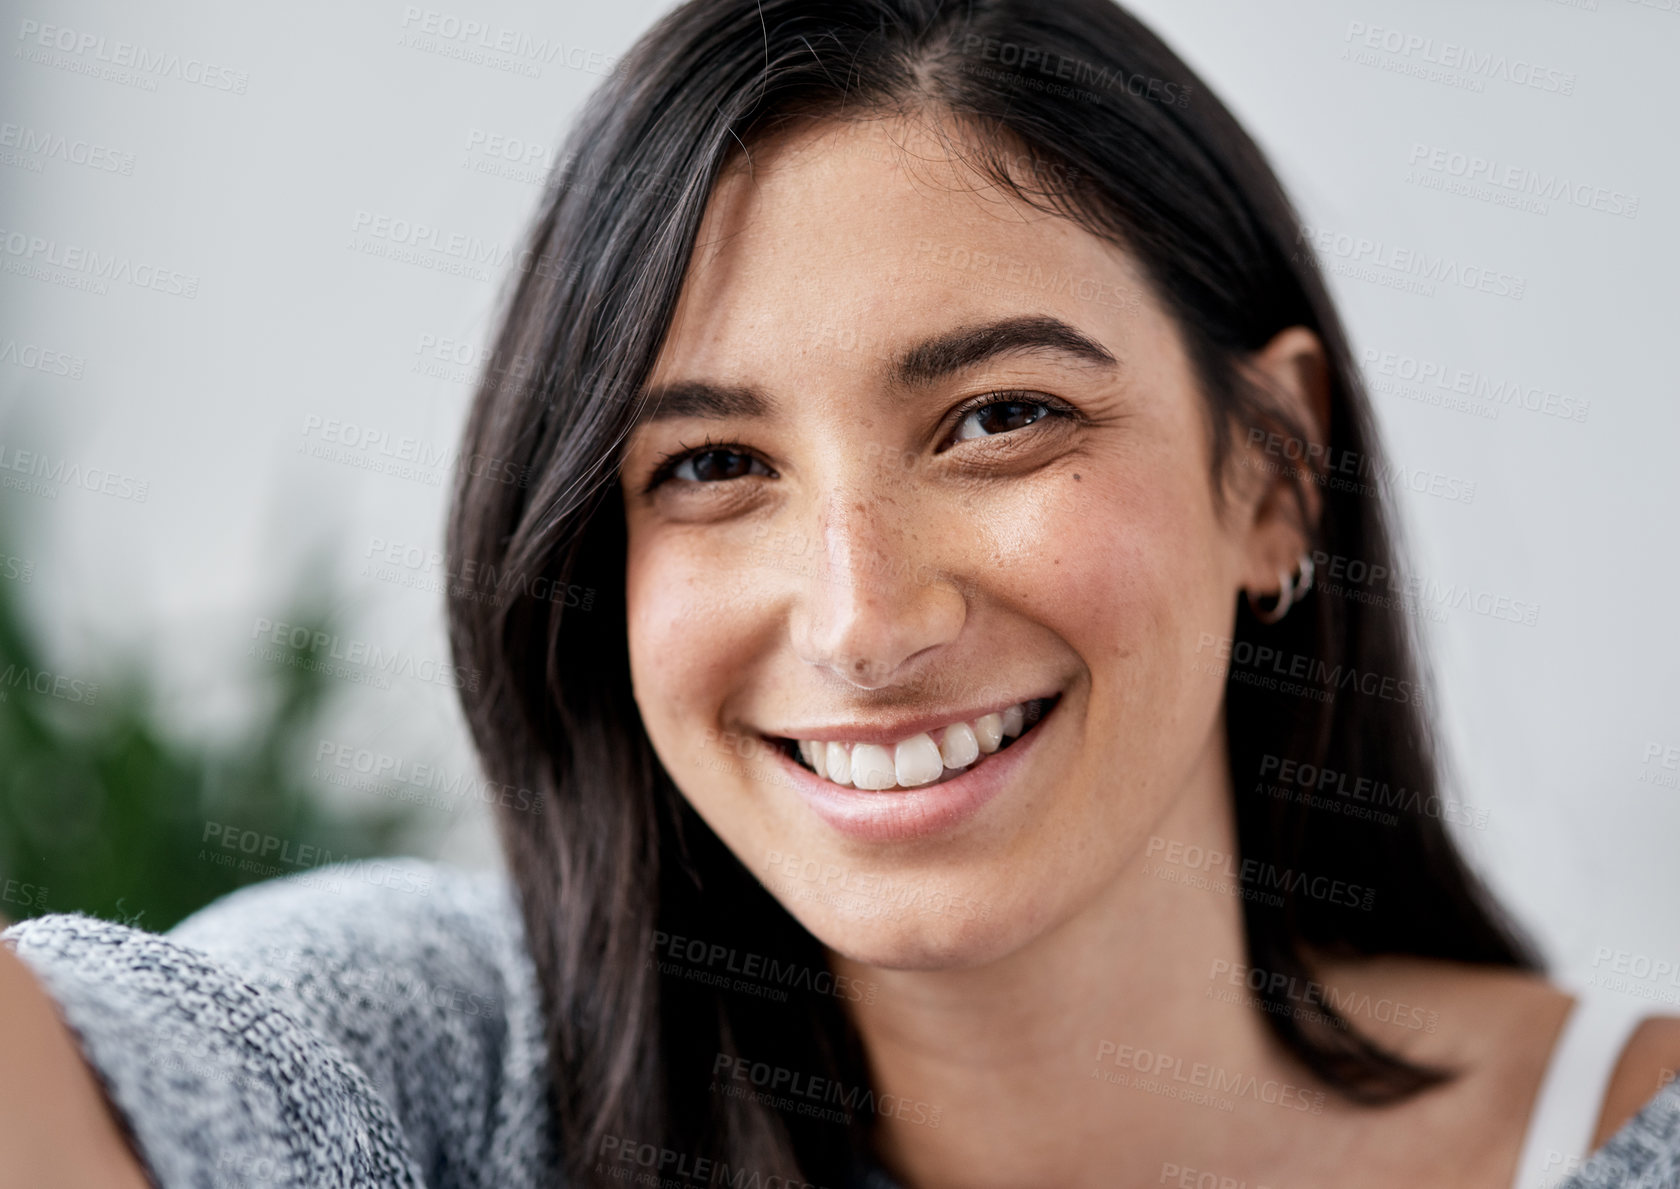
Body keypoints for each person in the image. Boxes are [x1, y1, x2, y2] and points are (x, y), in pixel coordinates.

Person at [3, 1, 1677, 1186]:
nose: (862, 619)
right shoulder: (455, 1066)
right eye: (712, 465)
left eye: (1000, 419)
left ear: (1273, 473)